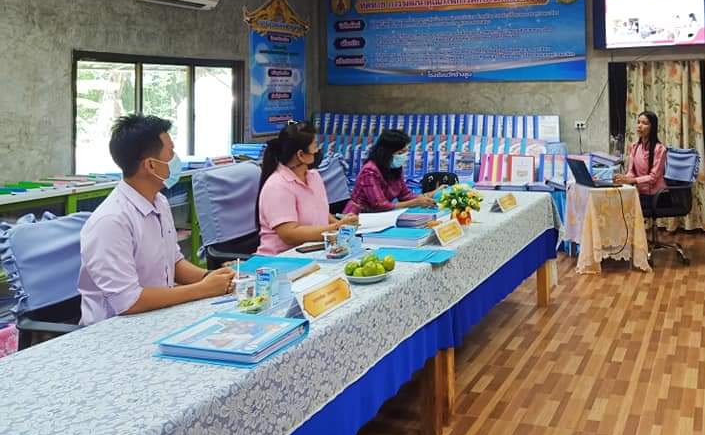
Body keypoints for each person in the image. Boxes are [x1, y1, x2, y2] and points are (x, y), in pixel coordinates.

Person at [78, 115, 236, 326]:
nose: (176, 159)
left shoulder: (159, 201)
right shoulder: (111, 221)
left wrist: (210, 277)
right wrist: (202, 289)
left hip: (158, 316)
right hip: (115, 329)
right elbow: (129, 302)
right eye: (170, 153)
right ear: (151, 165)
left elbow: (173, 262)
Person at [256, 120, 358, 255]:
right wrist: (336, 228)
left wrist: (344, 224)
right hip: (281, 258)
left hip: (316, 252)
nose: (319, 150)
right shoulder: (277, 186)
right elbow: (289, 234)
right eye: (315, 146)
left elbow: (319, 213)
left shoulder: (314, 176)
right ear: (301, 155)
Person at [344, 129, 437, 213]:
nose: (404, 156)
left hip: (380, 215)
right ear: (386, 152)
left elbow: (405, 195)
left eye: (405, 151)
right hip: (357, 216)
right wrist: (415, 202)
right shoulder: (369, 171)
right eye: (400, 153)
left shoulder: (395, 167)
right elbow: (380, 205)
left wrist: (428, 196)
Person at [613, 111, 667, 195]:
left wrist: (633, 180)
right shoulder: (634, 147)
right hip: (638, 192)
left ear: (652, 127)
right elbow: (631, 172)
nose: (639, 126)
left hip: (656, 195)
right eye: (638, 122)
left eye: (644, 123)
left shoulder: (660, 149)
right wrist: (623, 179)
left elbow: (653, 178)